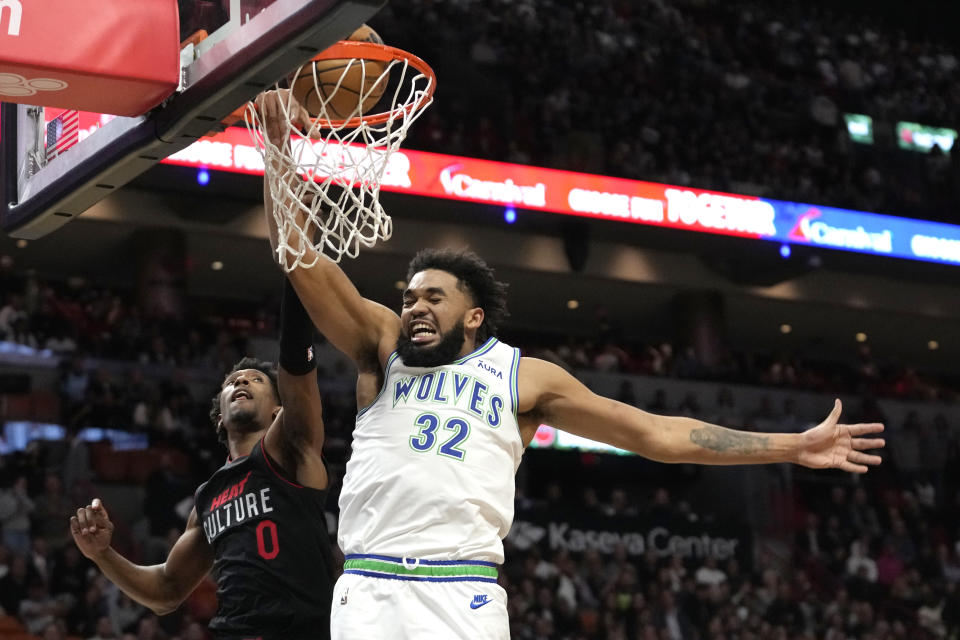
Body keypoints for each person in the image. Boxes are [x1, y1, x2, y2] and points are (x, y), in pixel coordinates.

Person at [256, 91, 886, 640]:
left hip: (460, 595)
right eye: (409, 297)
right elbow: (302, 263)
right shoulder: (382, 346)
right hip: (366, 587)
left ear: (474, 317)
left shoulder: (525, 377)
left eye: (433, 297)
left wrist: (789, 445)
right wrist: (279, 152)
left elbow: (657, 435)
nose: (415, 306)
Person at [70, 281, 336, 640]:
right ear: (220, 417)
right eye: (232, 382)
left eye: (256, 380)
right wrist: (102, 555)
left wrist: (296, 268)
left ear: (278, 410)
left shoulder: (291, 448)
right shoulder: (208, 497)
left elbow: (297, 369)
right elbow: (166, 590)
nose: (241, 380)